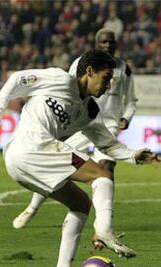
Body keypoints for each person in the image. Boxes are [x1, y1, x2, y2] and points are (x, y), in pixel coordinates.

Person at [0, 49, 161, 267]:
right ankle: (104, 231)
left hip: (23, 162)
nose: (108, 86)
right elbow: (16, 79)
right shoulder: (60, 79)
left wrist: (134, 155)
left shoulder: (89, 111)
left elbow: (108, 144)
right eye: (106, 78)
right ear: (89, 71)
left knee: (80, 204)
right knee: (101, 175)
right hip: (28, 147)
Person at [12, 29, 138, 230]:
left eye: (111, 42)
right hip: (79, 123)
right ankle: (32, 208)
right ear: (96, 43)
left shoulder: (124, 69)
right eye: (104, 42)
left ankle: (104, 223)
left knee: (106, 169)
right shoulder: (81, 62)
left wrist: (127, 117)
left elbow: (131, 100)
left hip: (108, 124)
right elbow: (71, 90)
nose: (108, 45)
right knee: (53, 162)